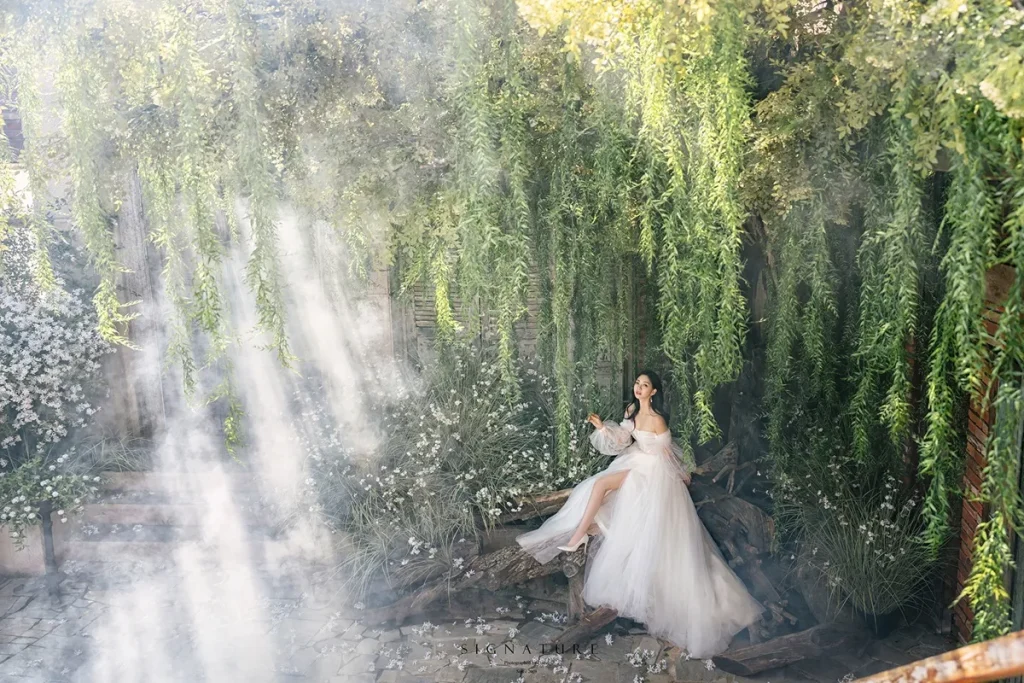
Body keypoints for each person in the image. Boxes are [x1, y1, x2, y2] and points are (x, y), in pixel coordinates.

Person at [516, 370, 763, 659]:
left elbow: (666, 453)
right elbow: (622, 440)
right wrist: (602, 428)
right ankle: (579, 534)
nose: (639, 388)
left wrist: (682, 474)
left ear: (654, 392)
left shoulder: (657, 420)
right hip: (637, 464)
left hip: (653, 473)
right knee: (597, 485)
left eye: (645, 385)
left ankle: (580, 534)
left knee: (606, 487)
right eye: (637, 383)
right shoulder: (633, 412)